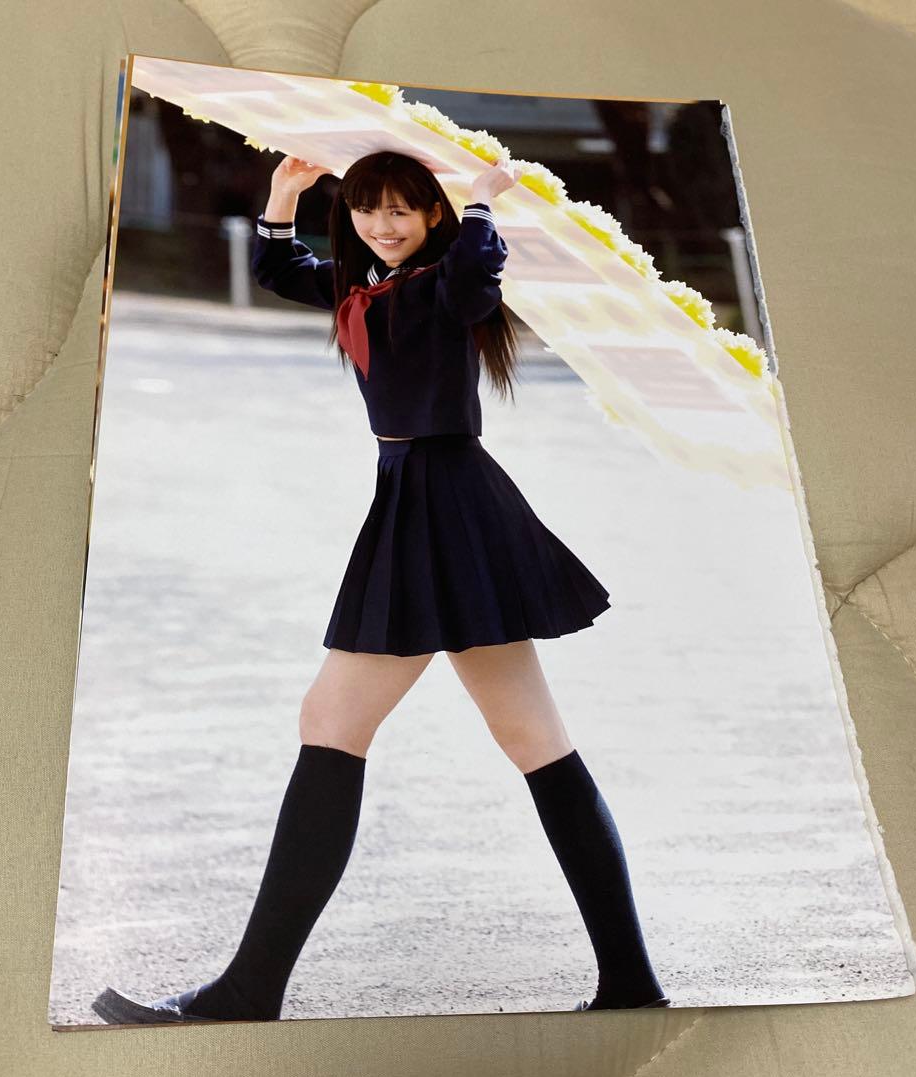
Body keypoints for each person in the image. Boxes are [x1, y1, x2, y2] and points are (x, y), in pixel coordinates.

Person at [92, 150, 669, 1026]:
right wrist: (284, 193)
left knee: (335, 723)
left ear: (434, 216)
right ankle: (631, 982)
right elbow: (280, 268)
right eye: (368, 209)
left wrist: (483, 200)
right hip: (434, 503)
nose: (382, 225)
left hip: (443, 503)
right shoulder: (369, 285)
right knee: (534, 741)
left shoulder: (445, 284)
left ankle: (248, 991)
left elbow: (477, 277)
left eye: (403, 210)